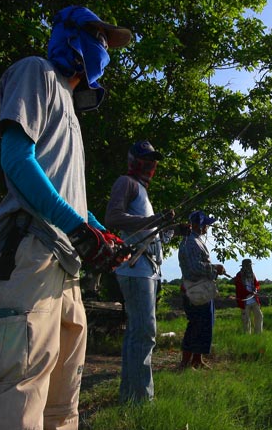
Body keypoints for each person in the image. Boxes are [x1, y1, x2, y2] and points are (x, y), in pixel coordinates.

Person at [0, 5, 132, 430]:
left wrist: (98, 232)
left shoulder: (73, 116)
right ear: (76, 37)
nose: (108, 49)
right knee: (13, 401)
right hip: (30, 256)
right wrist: (80, 228)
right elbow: (16, 159)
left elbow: (70, 199)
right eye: (103, 37)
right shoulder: (36, 71)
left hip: (66, 269)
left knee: (62, 394)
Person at [105, 140, 172, 403]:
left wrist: (165, 226)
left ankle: (130, 396)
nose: (150, 164)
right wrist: (151, 221)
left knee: (139, 332)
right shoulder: (126, 182)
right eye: (145, 158)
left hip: (148, 269)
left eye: (153, 159)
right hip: (135, 269)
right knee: (144, 331)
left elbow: (146, 227)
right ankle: (141, 400)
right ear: (133, 160)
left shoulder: (143, 191)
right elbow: (113, 218)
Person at [177, 210, 227, 369]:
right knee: (196, 325)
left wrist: (213, 269)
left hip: (201, 289)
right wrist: (214, 268)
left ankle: (197, 360)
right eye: (205, 224)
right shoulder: (191, 241)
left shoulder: (195, 240)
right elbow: (193, 268)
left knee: (204, 325)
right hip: (195, 289)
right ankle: (185, 362)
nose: (207, 227)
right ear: (198, 224)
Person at [234, 258, 263, 334]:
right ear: (244, 266)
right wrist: (249, 293)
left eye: (250, 265)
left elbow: (256, 284)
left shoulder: (252, 274)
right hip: (245, 301)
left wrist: (256, 290)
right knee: (246, 320)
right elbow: (239, 289)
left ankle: (258, 334)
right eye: (248, 265)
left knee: (259, 316)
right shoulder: (239, 275)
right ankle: (247, 335)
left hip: (254, 300)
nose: (249, 267)